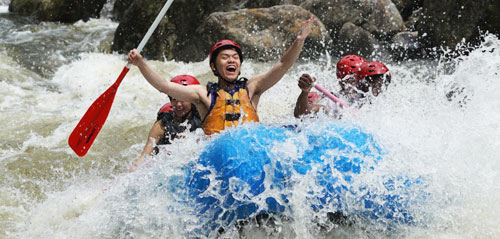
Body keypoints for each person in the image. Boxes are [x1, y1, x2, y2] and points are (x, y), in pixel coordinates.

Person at [127, 17, 316, 135]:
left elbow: (283, 65)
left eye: (235, 57)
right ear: (213, 66)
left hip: (251, 149)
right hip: (219, 155)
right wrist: (141, 63)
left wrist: (300, 40)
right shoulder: (203, 94)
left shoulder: (252, 88)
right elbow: (165, 87)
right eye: (225, 58)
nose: (231, 61)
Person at [131, 75, 202, 171]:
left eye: (183, 99)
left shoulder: (204, 119)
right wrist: (133, 169)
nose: (178, 104)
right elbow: (144, 157)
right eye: (174, 99)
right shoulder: (162, 125)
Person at [294, 55, 391, 118]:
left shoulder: (371, 98)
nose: (357, 84)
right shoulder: (333, 102)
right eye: (352, 80)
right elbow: (301, 114)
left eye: (361, 79)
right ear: (341, 82)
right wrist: (305, 92)